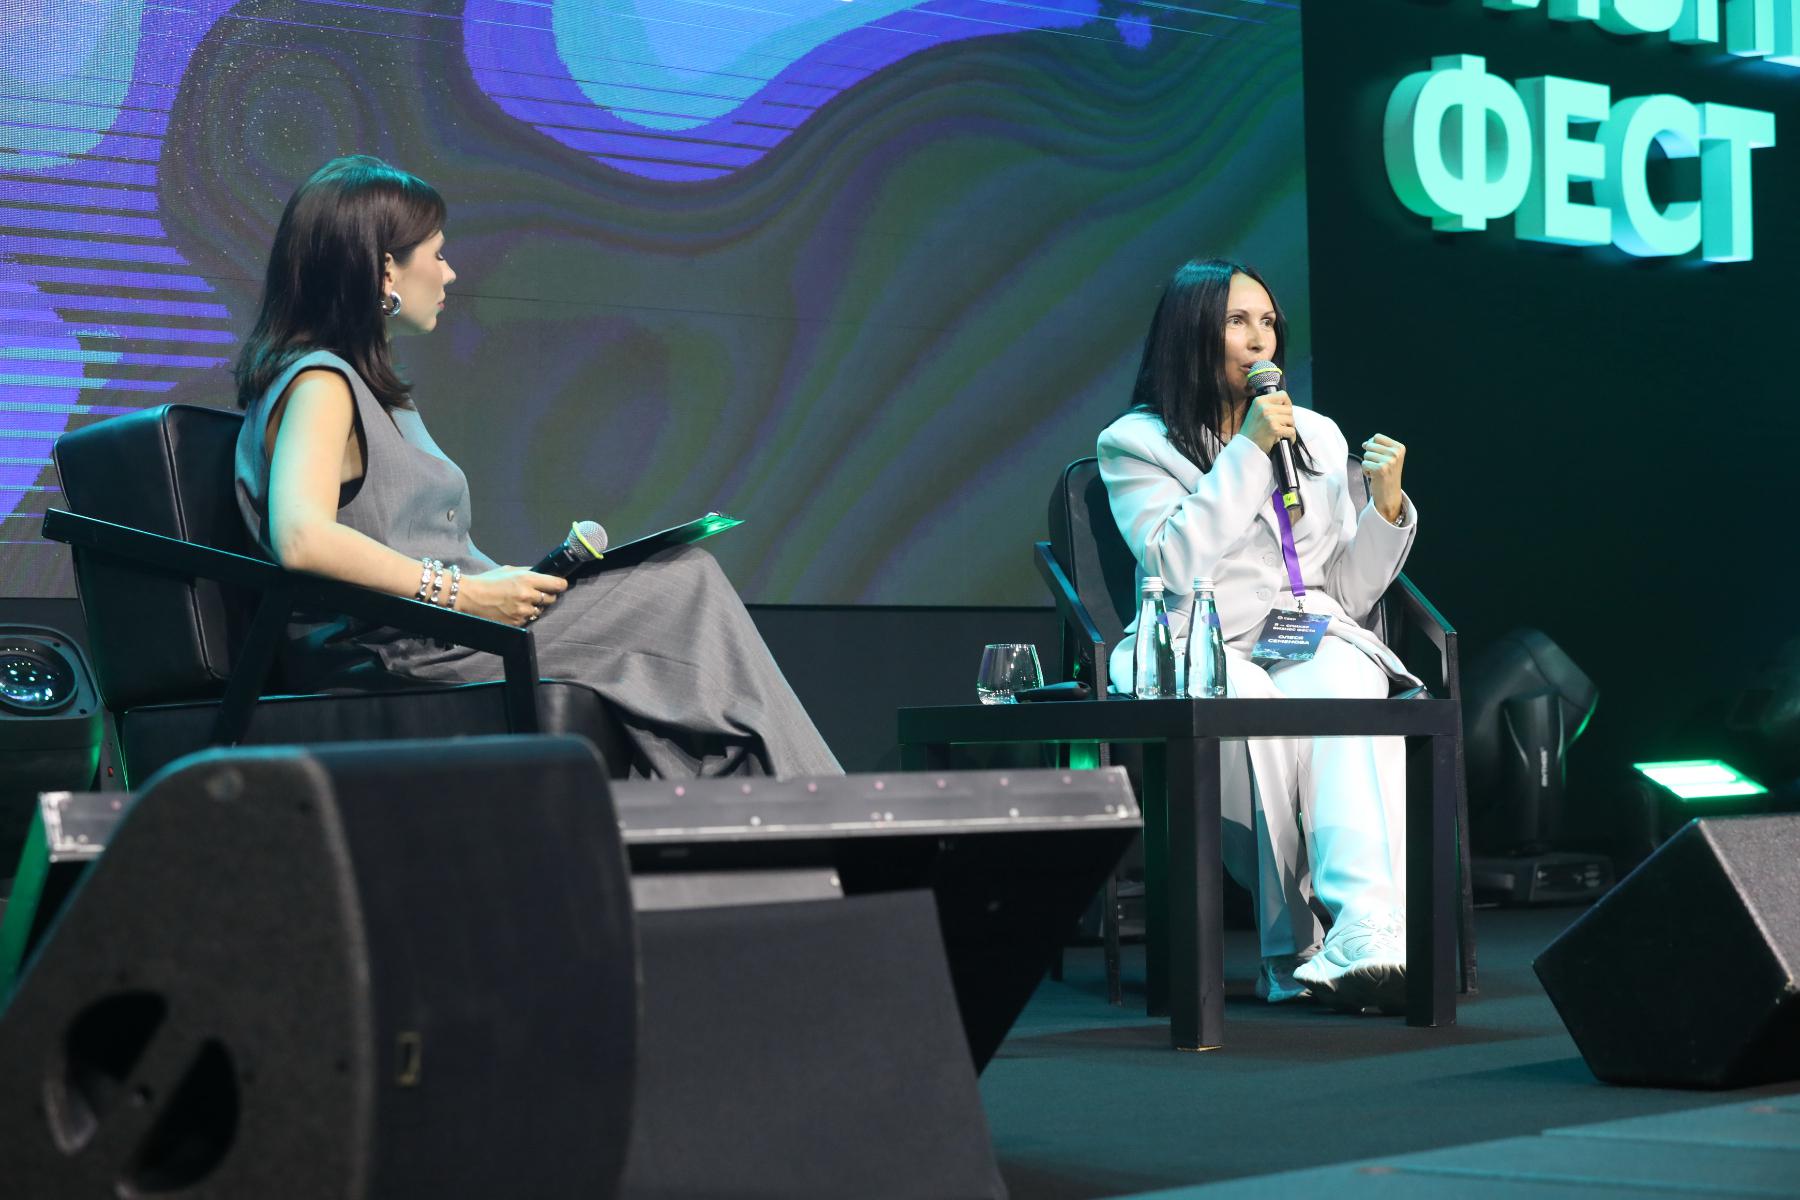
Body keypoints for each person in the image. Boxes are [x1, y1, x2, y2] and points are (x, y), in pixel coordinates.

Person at [233, 155, 841, 779]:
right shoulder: (320, 384)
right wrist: (466, 593)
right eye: (437, 254)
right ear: (386, 268)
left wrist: (503, 582)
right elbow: (302, 538)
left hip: (441, 630)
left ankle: (762, 807)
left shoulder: (362, 387)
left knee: (682, 600)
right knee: (685, 585)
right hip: (409, 649)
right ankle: (821, 801)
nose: (450, 272)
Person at [1097, 257, 1417, 1011]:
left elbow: (1346, 593)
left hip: (1295, 633)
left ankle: (1366, 922)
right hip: (1194, 640)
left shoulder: (1317, 435)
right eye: (1237, 321)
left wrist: (1385, 510)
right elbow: (1173, 562)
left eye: (1267, 321)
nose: (1258, 339)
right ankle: (1290, 944)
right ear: (1191, 334)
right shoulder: (1137, 443)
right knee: (1251, 708)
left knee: (1347, 679)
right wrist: (1246, 452)